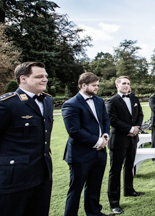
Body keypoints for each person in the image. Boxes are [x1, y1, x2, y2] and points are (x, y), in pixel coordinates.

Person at [0, 62, 53, 216]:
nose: (45, 79)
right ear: (23, 79)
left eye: (45, 76)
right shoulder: (6, 104)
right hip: (13, 179)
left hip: (42, 175)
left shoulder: (47, 101)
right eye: (39, 76)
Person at [62, 72, 111, 216]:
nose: (97, 88)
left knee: (94, 187)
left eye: (97, 85)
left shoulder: (99, 101)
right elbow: (74, 131)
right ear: (84, 85)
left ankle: (94, 213)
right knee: (75, 189)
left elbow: (105, 120)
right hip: (80, 154)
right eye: (94, 85)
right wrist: (98, 142)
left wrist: (105, 136)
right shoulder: (70, 104)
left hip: (99, 153)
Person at [105, 76, 144, 214]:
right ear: (117, 85)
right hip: (119, 140)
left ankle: (129, 190)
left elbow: (140, 114)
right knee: (115, 171)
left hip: (133, 139)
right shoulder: (112, 101)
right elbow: (112, 120)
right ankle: (114, 202)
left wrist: (137, 127)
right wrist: (129, 129)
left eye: (128, 83)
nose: (126, 85)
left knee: (129, 166)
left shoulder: (134, 98)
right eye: (123, 83)